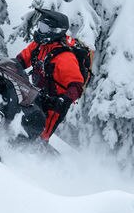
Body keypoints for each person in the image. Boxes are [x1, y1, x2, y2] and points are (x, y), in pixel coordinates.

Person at [14, 9, 86, 142]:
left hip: (54, 105)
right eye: (40, 26)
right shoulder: (39, 46)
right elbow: (20, 61)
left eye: (44, 28)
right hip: (35, 94)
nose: (39, 31)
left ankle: (34, 150)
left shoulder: (64, 57)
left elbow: (76, 85)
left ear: (55, 31)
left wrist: (64, 99)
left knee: (38, 136)